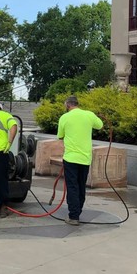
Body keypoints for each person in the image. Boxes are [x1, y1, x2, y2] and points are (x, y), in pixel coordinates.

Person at [57, 95, 103, 226]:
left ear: (67, 105)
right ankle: (78, 212)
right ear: (77, 104)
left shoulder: (64, 117)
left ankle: (74, 216)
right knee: (81, 186)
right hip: (85, 158)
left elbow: (60, 136)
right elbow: (100, 125)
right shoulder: (89, 115)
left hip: (70, 158)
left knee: (72, 187)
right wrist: (96, 116)